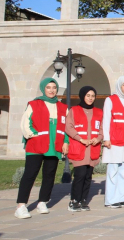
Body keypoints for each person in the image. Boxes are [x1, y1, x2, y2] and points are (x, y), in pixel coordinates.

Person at [15, 78, 69, 219]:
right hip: (36, 145)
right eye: (48, 87)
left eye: (54, 87)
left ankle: (42, 202)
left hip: (55, 145)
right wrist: (34, 135)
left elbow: (67, 127)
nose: (51, 90)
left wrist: (66, 142)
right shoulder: (34, 104)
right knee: (30, 174)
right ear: (43, 89)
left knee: (49, 175)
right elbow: (26, 123)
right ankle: (21, 206)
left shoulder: (63, 107)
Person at [65, 86, 103, 212]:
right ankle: (74, 200)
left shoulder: (99, 112)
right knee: (80, 175)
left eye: (93, 96)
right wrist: (80, 139)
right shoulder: (74, 110)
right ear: (82, 96)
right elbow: (69, 127)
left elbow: (102, 129)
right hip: (79, 148)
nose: (90, 98)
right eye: (88, 95)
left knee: (88, 176)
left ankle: (83, 200)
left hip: (92, 149)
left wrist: (98, 138)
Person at [102, 76, 124, 209]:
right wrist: (106, 138)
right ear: (119, 86)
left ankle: (121, 198)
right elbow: (106, 119)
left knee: (123, 171)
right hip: (114, 140)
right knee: (113, 170)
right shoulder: (110, 100)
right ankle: (110, 200)